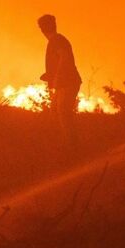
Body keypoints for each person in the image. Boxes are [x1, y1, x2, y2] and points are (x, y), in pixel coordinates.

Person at [38, 14, 83, 148]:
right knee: (55, 112)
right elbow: (61, 59)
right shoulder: (56, 40)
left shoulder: (57, 40)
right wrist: (49, 74)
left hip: (67, 83)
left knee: (63, 112)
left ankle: (72, 145)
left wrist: (56, 77)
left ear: (42, 28)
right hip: (65, 83)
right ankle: (63, 143)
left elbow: (64, 57)